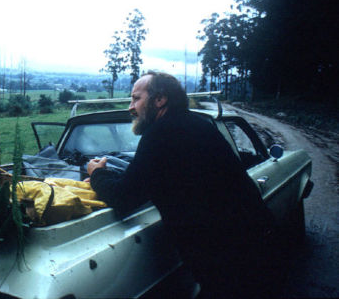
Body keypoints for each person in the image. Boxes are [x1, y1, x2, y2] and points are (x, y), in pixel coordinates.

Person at [87, 71, 279, 298]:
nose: (131, 107)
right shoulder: (197, 125)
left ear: (160, 100)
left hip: (227, 258)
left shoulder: (160, 134)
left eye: (136, 98)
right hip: (252, 241)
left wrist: (98, 174)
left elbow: (124, 197)